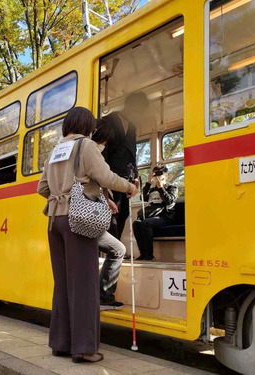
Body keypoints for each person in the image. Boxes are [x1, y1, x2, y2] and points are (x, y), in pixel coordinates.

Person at [37, 107, 137, 363]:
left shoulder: (56, 149)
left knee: (63, 283)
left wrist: (61, 197)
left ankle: (60, 343)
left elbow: (42, 188)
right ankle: (83, 348)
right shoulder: (86, 145)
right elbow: (105, 176)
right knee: (84, 284)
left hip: (54, 221)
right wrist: (128, 187)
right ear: (87, 125)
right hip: (78, 220)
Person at [92, 118, 128, 309]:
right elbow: (108, 178)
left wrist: (106, 199)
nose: (104, 147)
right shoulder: (91, 153)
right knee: (118, 249)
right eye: (104, 143)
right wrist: (130, 186)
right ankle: (103, 296)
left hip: (64, 218)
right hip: (85, 221)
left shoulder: (71, 152)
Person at [103, 92, 149, 244]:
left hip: (126, 180)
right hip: (111, 177)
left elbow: (133, 154)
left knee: (122, 215)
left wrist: (135, 177)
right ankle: (110, 255)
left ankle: (114, 256)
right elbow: (104, 151)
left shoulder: (132, 127)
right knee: (111, 217)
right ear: (129, 106)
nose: (139, 114)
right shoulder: (108, 121)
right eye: (138, 110)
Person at [133, 164, 178, 261]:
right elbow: (143, 198)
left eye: (160, 174)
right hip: (153, 215)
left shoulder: (172, 188)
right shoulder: (152, 189)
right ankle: (143, 254)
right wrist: (149, 182)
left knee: (146, 223)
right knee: (136, 223)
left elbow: (169, 201)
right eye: (155, 175)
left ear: (166, 176)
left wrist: (161, 187)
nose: (157, 177)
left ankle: (149, 255)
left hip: (165, 217)